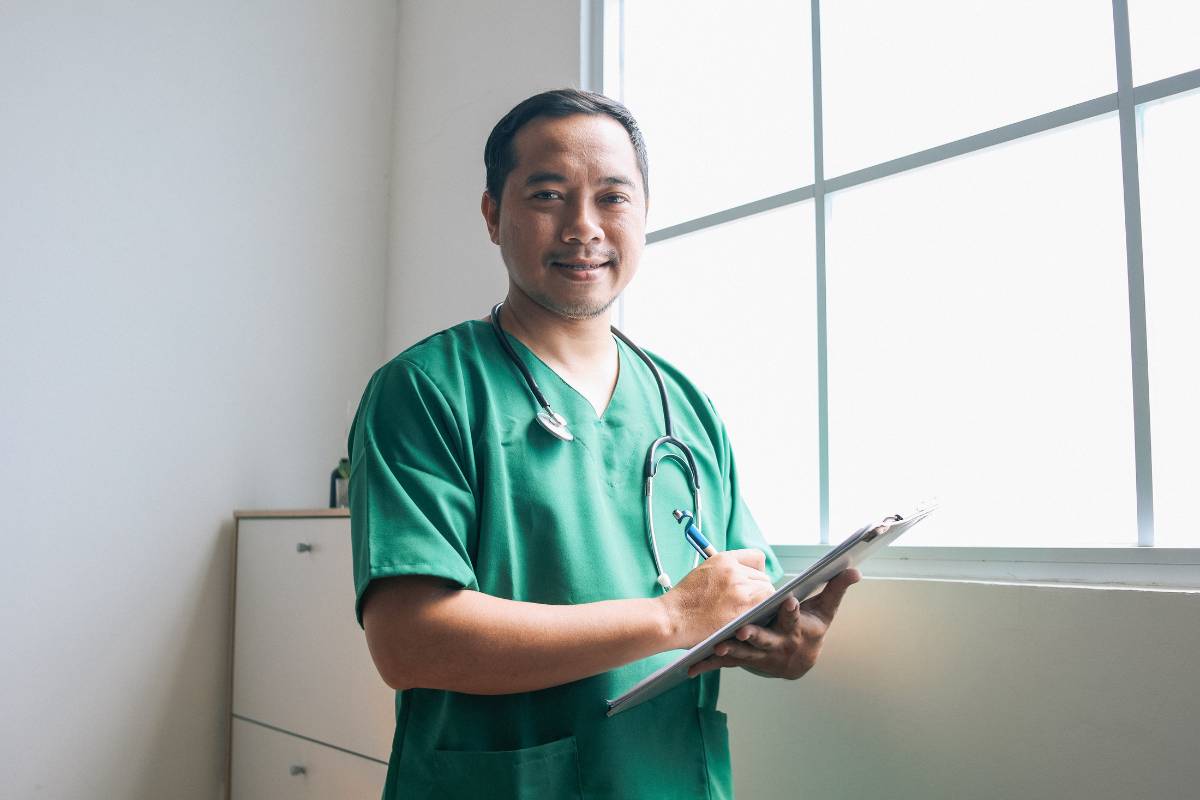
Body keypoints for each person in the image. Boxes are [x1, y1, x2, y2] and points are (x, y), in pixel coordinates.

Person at [348, 88, 860, 799]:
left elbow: (743, 593)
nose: (583, 227)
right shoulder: (427, 390)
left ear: (644, 216)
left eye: (613, 198)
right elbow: (409, 641)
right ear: (493, 214)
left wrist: (786, 644)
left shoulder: (687, 407)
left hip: (668, 778)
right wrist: (668, 618)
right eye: (549, 194)